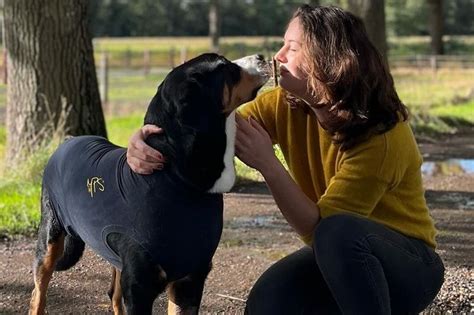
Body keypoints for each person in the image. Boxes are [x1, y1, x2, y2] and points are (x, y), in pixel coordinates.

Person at [126, 5, 444, 314]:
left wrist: (268, 164)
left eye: (292, 47)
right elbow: (209, 129)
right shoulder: (286, 104)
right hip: (339, 257)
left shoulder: (383, 136)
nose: (278, 56)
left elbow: (317, 230)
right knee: (268, 301)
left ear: (328, 59)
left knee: (336, 233)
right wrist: (147, 137)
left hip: (408, 267)